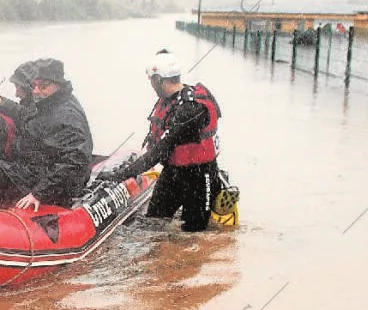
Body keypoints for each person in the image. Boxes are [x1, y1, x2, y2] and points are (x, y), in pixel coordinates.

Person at [102, 48, 222, 232]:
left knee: (194, 234)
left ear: (159, 80)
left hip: (199, 177)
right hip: (173, 172)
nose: (150, 84)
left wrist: (121, 175)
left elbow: (159, 152)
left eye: (151, 80)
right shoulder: (168, 100)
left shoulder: (190, 110)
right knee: (153, 224)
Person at [0, 58, 93, 211]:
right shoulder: (50, 103)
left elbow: (74, 163)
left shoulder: (68, 117)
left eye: (43, 86)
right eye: (34, 86)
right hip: (38, 170)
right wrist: (2, 102)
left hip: (53, 184)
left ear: (58, 84)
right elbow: (24, 115)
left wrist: (38, 194)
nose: (36, 91)